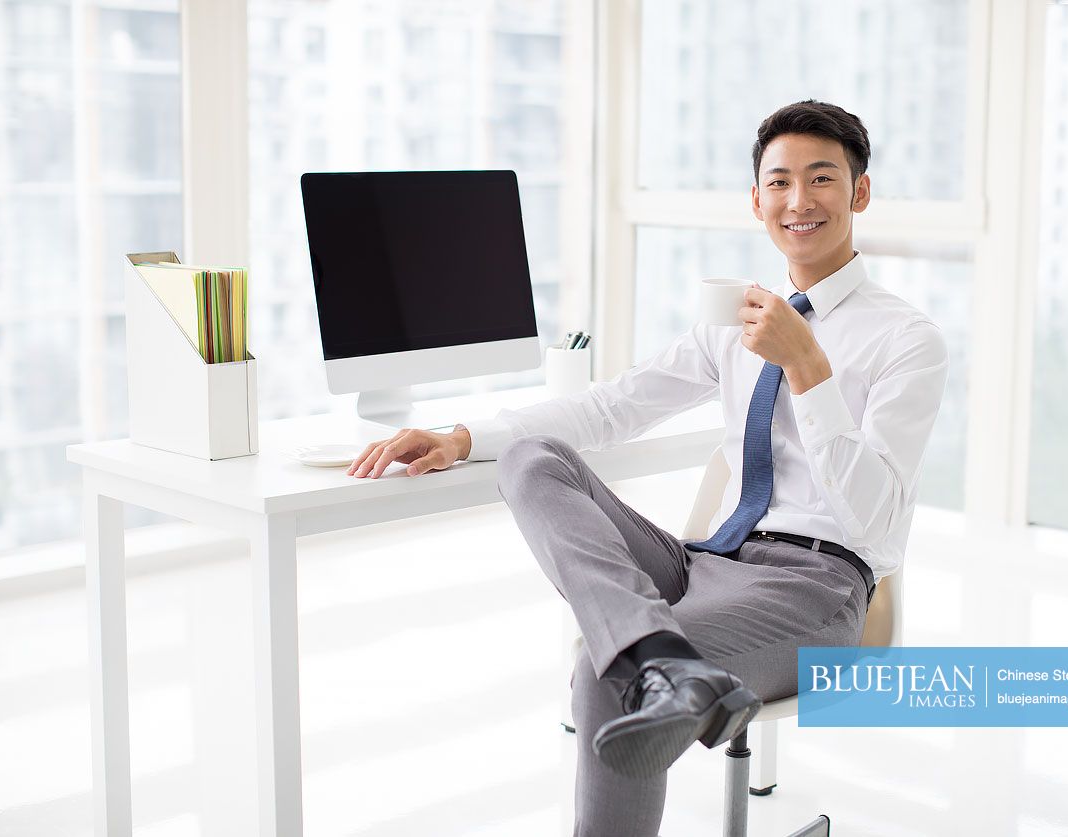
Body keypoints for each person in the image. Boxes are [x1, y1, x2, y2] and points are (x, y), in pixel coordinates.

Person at [347, 100, 949, 836]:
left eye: (821, 179)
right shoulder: (733, 319)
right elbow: (613, 407)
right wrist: (462, 434)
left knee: (610, 675)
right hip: (706, 561)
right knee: (536, 459)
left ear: (857, 192)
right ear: (755, 200)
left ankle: (649, 657)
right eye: (779, 181)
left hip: (815, 589)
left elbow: (875, 522)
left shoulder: (906, 339)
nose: (799, 200)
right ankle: (662, 653)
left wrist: (808, 369)